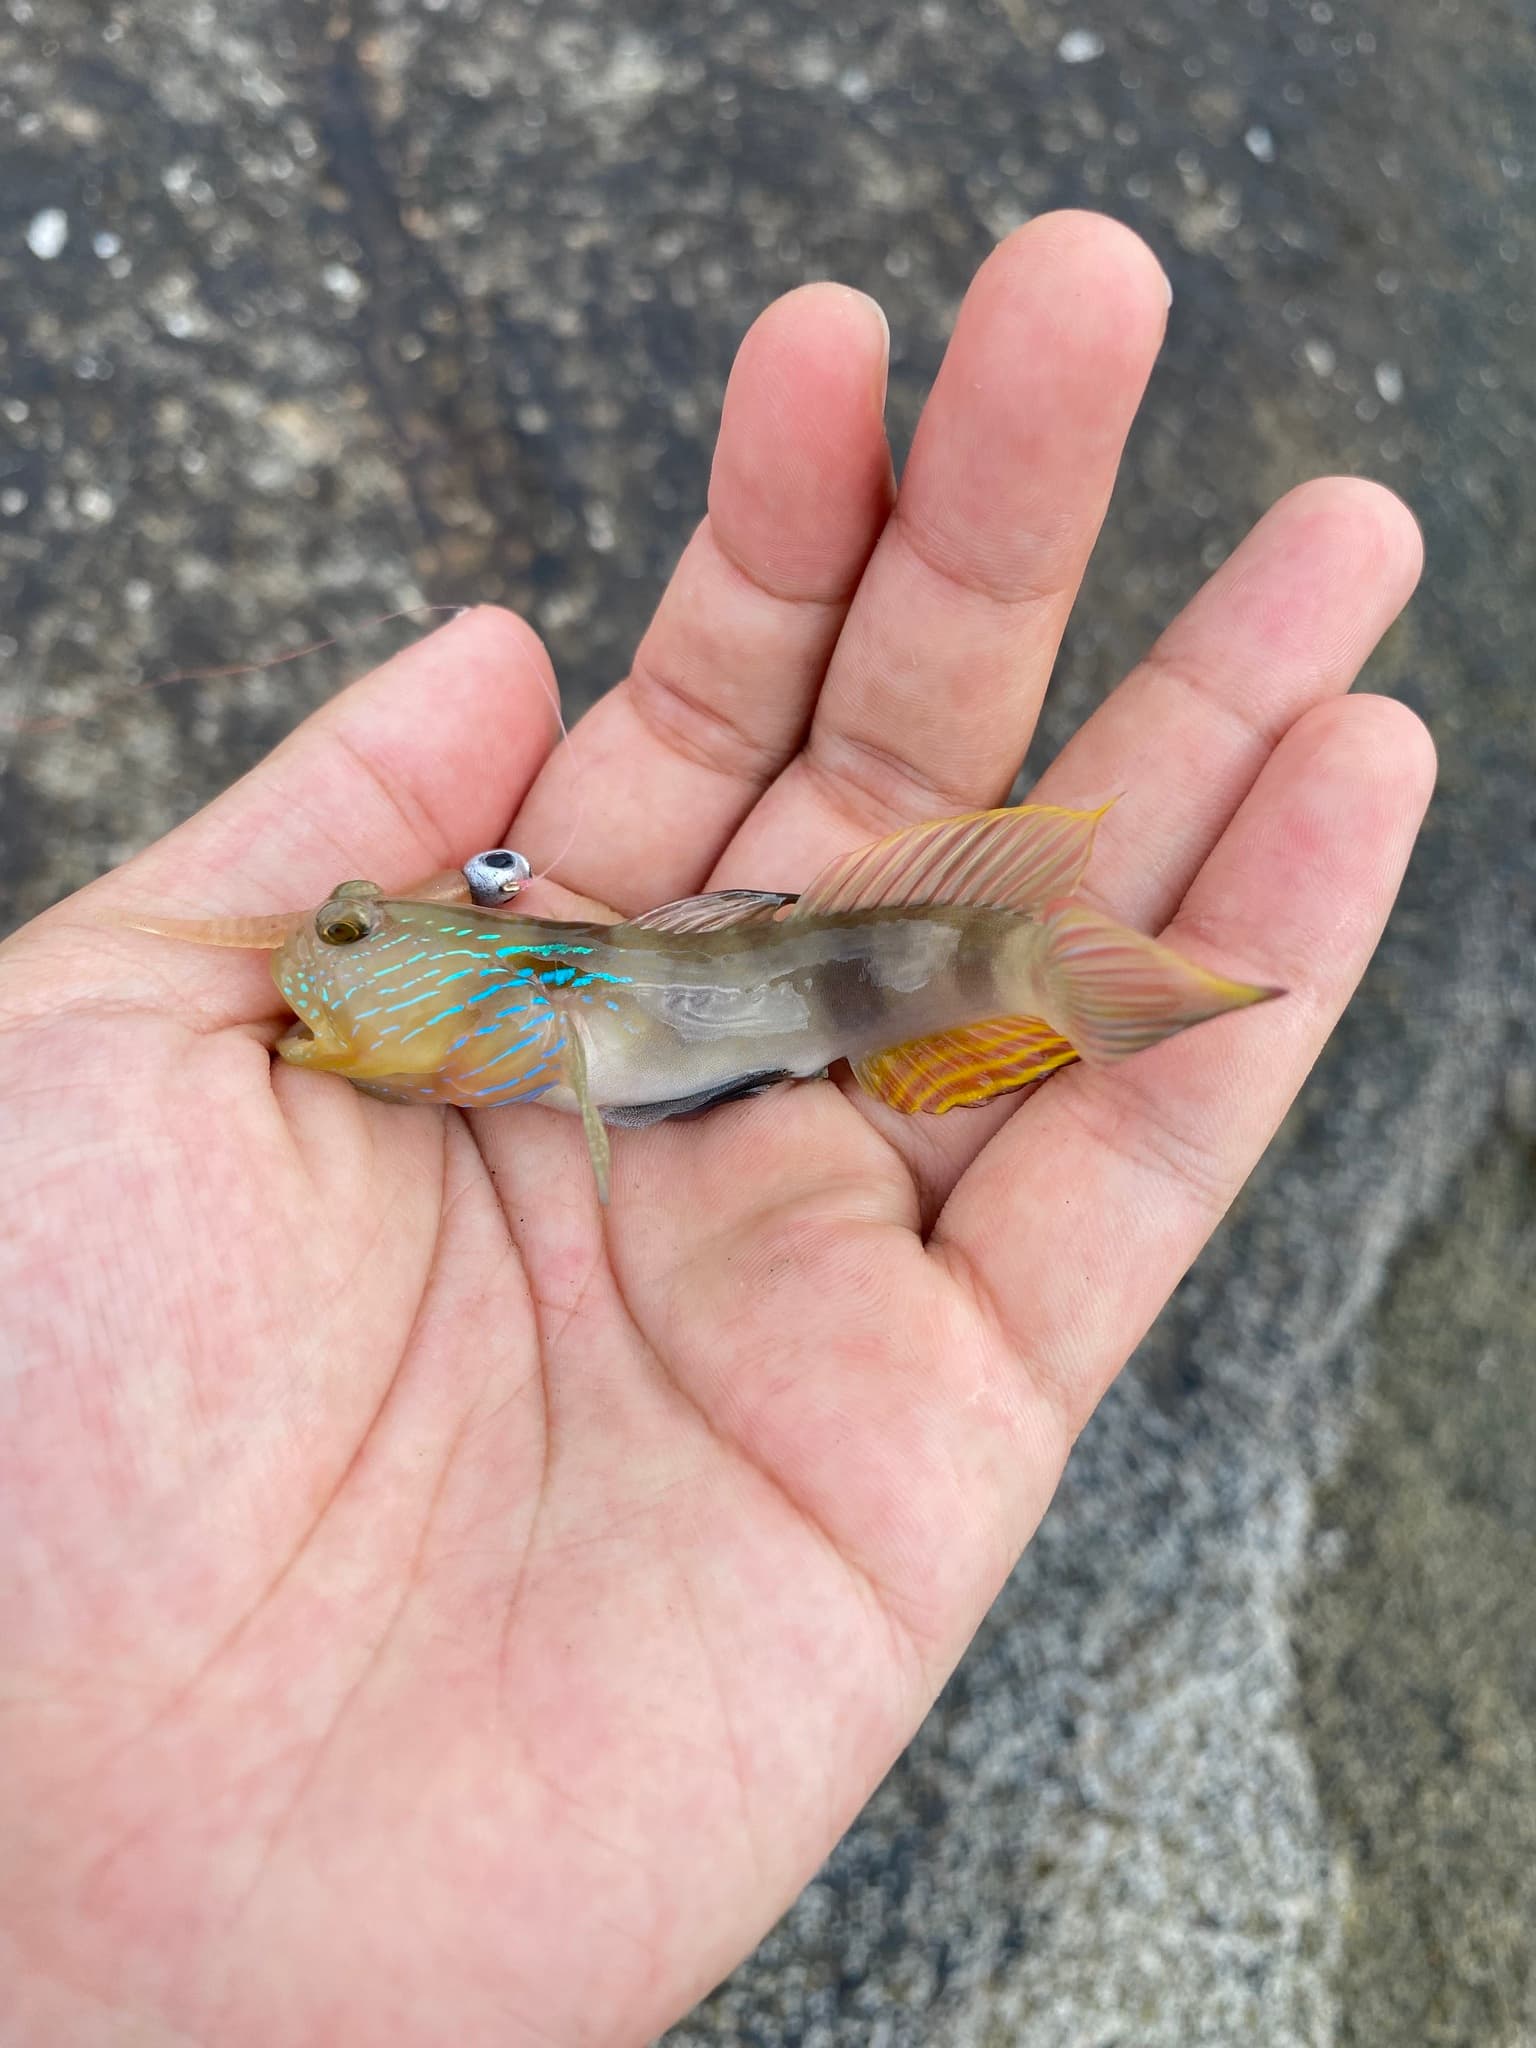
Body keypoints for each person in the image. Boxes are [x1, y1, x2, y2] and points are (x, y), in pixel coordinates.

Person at [0, 212, 1432, 2046]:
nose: (324, 969)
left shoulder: (544, 995)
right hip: (725, 980)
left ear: (467, 949)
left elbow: (597, 1009)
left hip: (792, 971)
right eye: (345, 942)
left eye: (353, 938)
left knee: (976, 968)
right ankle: (1055, 968)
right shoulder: (499, 1018)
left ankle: (1061, 970)